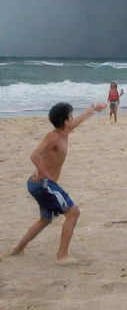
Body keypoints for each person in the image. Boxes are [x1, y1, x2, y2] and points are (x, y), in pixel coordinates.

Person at [10, 101, 107, 264]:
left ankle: (18, 248)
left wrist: (92, 109)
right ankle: (62, 256)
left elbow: (80, 119)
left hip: (40, 185)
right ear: (65, 120)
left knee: (46, 219)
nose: (73, 118)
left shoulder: (65, 131)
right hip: (44, 184)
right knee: (73, 213)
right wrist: (46, 174)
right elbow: (34, 155)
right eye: (70, 115)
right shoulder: (54, 136)